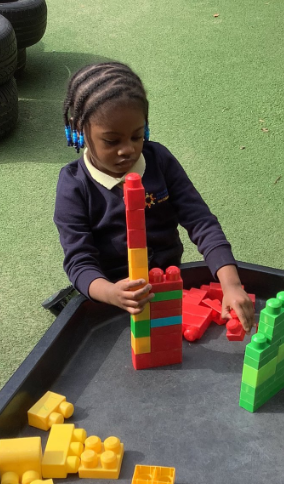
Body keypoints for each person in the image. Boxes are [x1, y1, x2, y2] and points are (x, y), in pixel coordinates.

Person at [54, 62, 254, 330]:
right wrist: (110, 293)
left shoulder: (159, 160)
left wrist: (231, 284)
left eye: (137, 136)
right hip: (111, 297)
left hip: (166, 283)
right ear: (79, 128)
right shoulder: (74, 186)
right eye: (112, 141)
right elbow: (79, 260)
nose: (127, 150)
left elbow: (200, 221)